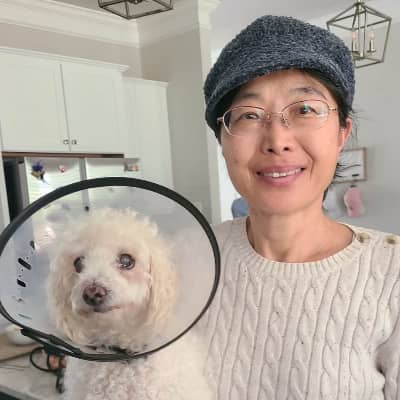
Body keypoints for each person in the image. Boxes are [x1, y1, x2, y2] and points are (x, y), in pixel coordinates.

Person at [200, 15, 400, 400]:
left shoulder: (392, 274)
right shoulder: (183, 261)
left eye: (305, 109)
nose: (277, 140)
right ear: (222, 141)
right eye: (249, 115)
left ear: (342, 132)